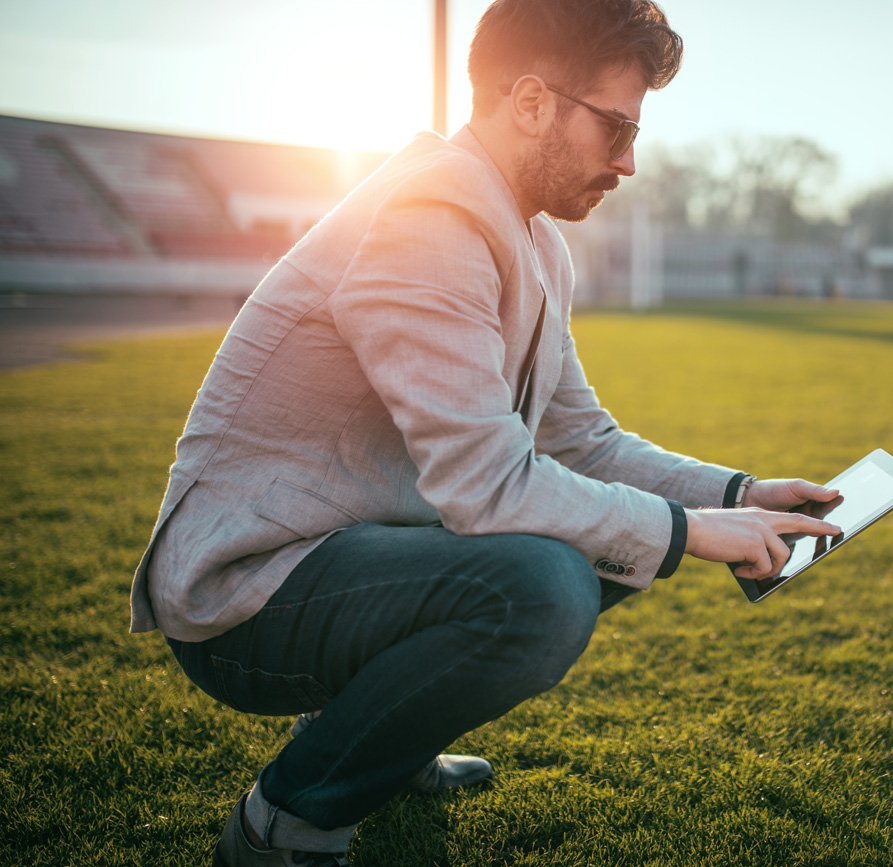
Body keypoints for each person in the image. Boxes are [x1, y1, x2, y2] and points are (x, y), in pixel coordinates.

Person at [129, 1, 841, 863]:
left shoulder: (532, 236)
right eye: (615, 125)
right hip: (246, 593)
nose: (629, 160)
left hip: (350, 556)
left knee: (589, 545)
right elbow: (487, 485)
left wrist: (740, 495)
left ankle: (386, 744)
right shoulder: (427, 216)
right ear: (532, 102)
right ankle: (282, 824)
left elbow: (585, 439)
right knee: (545, 582)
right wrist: (688, 531)